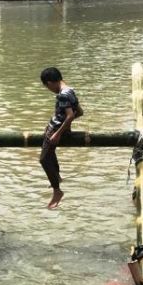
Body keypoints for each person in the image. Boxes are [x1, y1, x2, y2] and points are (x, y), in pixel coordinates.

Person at [39, 67, 83, 209]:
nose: (49, 89)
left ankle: (57, 190)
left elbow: (70, 115)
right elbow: (80, 112)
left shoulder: (62, 95)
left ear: (51, 82)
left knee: (44, 159)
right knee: (50, 153)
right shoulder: (69, 90)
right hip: (55, 127)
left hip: (55, 129)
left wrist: (58, 133)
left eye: (47, 86)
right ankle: (56, 177)